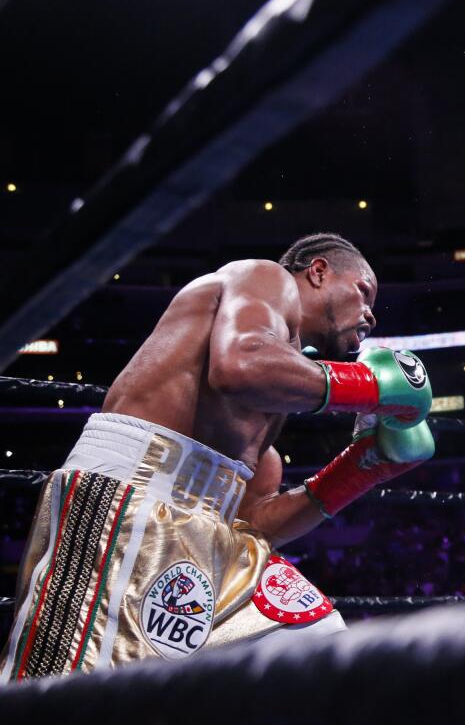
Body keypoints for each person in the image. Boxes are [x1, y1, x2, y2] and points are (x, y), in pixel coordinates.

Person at [1, 233, 434, 679]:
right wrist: (370, 387)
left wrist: (363, 467)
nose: (371, 313)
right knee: (73, 700)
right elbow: (240, 367)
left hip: (206, 539)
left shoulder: (264, 419)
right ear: (318, 272)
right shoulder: (264, 278)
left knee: (317, 644)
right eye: (364, 291)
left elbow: (254, 527)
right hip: (131, 499)